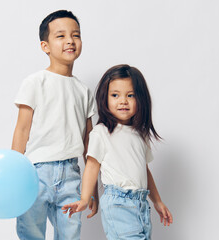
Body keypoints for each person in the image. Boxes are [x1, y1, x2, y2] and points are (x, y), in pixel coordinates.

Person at [11, 10, 98, 240]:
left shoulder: (83, 91)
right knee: (30, 232)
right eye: (60, 36)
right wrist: (14, 173)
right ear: (45, 46)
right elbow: (22, 130)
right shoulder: (35, 82)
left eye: (75, 35)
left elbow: (89, 143)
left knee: (70, 234)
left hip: (71, 175)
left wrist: (92, 188)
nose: (70, 40)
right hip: (36, 173)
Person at [62, 64, 173, 239]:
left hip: (141, 203)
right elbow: (92, 166)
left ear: (141, 99)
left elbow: (143, 170)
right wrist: (85, 199)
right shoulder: (101, 132)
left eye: (130, 95)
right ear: (104, 99)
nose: (123, 101)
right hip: (118, 203)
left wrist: (157, 201)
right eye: (115, 95)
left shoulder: (140, 134)